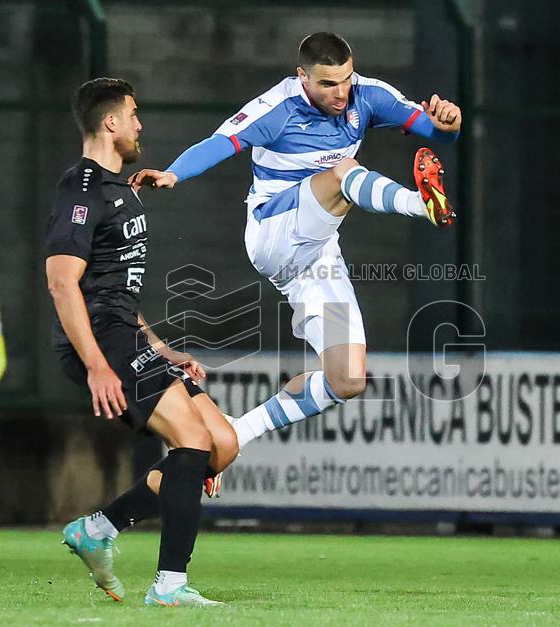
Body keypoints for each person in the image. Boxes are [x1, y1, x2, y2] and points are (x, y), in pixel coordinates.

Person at [130, 31, 461, 450]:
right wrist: (174, 173)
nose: (340, 92)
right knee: (344, 171)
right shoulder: (276, 109)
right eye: (327, 83)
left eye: (345, 79)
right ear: (302, 76)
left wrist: (451, 123)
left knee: (348, 378)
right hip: (274, 233)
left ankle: (238, 431)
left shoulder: (369, 95)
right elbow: (221, 143)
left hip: (318, 259)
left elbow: (438, 133)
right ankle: (420, 204)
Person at [45, 77, 238, 607]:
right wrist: (97, 366)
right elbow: (63, 282)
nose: (139, 124)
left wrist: (161, 346)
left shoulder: (122, 190)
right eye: (133, 114)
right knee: (192, 445)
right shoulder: (80, 191)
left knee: (220, 444)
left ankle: (101, 528)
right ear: (110, 123)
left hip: (126, 335)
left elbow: (117, 286)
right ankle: (170, 587)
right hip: (102, 343)